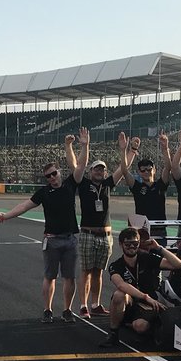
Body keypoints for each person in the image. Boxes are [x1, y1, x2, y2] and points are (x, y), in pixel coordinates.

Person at [0, 136, 81, 322]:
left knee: (70, 277)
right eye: (48, 176)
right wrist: (5, 216)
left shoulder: (71, 184)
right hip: (52, 239)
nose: (52, 178)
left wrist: (69, 146)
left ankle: (67, 310)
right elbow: (24, 206)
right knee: (50, 277)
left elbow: (79, 166)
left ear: (59, 171)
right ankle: (47, 310)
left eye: (54, 173)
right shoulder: (44, 192)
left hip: (70, 239)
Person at [72, 128, 133, 317]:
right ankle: (83, 305)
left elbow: (123, 170)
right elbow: (77, 165)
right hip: (88, 234)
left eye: (102, 169)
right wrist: (84, 145)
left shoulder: (107, 184)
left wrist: (129, 151)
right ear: (90, 171)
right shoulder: (83, 184)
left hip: (105, 235)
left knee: (98, 272)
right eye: (96, 169)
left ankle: (95, 304)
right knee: (86, 271)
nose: (100, 171)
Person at [101, 227, 181, 347]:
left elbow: (179, 265)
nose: (131, 247)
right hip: (133, 301)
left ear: (139, 244)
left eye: (135, 244)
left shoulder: (147, 258)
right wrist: (145, 297)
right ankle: (113, 335)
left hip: (149, 304)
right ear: (121, 244)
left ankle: (150, 327)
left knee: (140, 326)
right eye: (128, 244)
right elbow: (121, 284)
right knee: (119, 294)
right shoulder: (116, 265)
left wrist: (159, 248)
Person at [122, 132, 172, 244]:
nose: (146, 172)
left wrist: (165, 148)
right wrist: (131, 149)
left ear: (154, 170)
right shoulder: (137, 187)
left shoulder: (160, 184)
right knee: (143, 260)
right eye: (143, 170)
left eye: (149, 169)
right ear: (139, 172)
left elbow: (168, 167)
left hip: (159, 229)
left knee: (160, 258)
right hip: (142, 230)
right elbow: (124, 171)